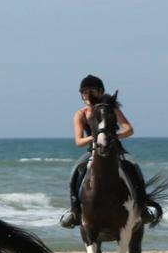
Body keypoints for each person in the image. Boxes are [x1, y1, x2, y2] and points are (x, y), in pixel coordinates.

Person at [59, 74, 155, 228]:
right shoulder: (80, 114)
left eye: (91, 91)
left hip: (115, 149)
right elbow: (78, 141)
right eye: (84, 92)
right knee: (76, 170)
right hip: (93, 151)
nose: (87, 94)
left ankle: (143, 208)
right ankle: (74, 211)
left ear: (101, 91)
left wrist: (114, 136)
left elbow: (129, 129)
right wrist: (96, 137)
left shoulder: (111, 108)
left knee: (134, 166)